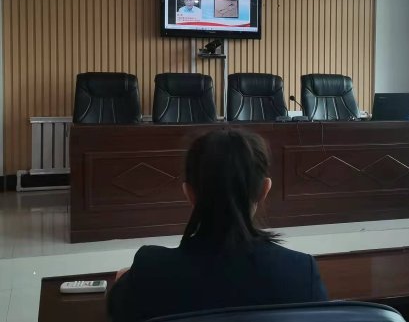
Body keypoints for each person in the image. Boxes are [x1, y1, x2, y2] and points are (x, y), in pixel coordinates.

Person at [107, 129, 328, 322]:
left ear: (188, 193)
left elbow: (117, 312)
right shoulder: (301, 272)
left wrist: (125, 282)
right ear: (264, 190)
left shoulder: (149, 270)